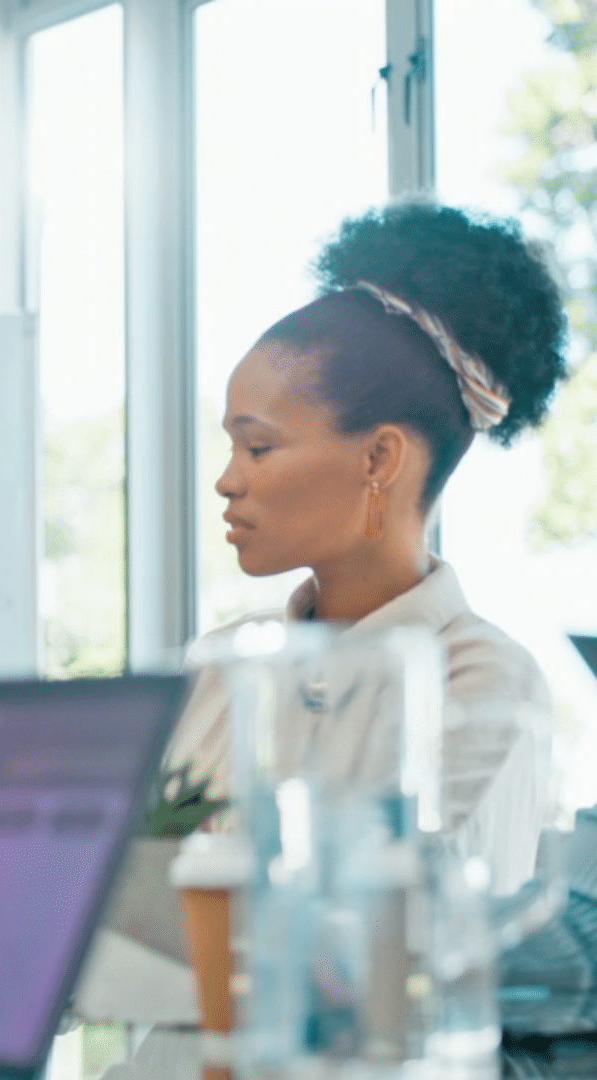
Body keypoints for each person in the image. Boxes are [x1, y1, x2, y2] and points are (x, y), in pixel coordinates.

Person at [168, 202, 568, 889]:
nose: (226, 481)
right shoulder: (216, 667)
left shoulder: (481, 679)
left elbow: (352, 922)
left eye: (257, 446)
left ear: (380, 459)